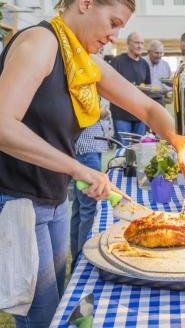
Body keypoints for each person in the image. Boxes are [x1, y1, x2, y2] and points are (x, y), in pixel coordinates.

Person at [0, 0, 185, 327]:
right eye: (113, 24)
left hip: (51, 194)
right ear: (86, 2)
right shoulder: (40, 42)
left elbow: (145, 107)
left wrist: (180, 142)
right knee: (41, 316)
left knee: (58, 304)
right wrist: (77, 167)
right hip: (7, 197)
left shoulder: (82, 60)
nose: (114, 36)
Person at [70, 97, 111, 268]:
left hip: (91, 146)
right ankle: (83, 262)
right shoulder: (81, 79)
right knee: (89, 208)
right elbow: (86, 111)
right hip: (86, 149)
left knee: (79, 208)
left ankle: (77, 258)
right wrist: (102, 112)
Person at [110, 31, 150, 144]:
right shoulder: (117, 61)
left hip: (139, 113)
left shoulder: (144, 64)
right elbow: (111, 85)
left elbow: (147, 86)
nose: (140, 46)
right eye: (137, 43)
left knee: (139, 147)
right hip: (121, 113)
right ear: (128, 44)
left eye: (142, 43)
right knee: (123, 147)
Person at [144, 39, 171, 106]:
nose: (159, 56)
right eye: (156, 53)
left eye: (161, 53)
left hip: (160, 99)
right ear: (149, 52)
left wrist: (167, 89)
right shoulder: (142, 63)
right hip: (144, 98)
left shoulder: (165, 65)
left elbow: (170, 83)